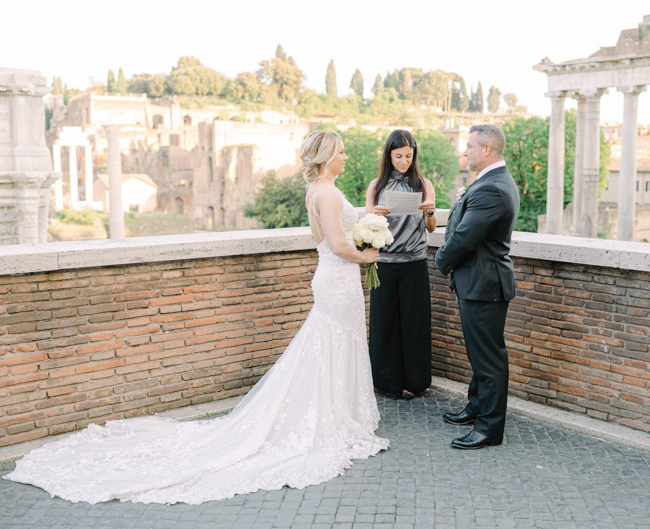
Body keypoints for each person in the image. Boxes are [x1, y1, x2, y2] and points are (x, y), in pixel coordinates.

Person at [3, 130, 389, 504]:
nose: (345, 157)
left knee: (328, 344)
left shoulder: (317, 191)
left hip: (332, 279)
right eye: (340, 152)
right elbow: (337, 244)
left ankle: (333, 412)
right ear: (325, 156)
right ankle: (329, 417)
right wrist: (367, 255)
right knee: (331, 344)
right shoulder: (327, 192)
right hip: (337, 280)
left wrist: (367, 220)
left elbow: (324, 241)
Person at [435, 124, 520, 450]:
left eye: (469, 146)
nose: (464, 152)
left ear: (486, 149)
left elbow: (465, 237)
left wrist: (441, 259)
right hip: (480, 282)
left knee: (489, 359)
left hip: (484, 283)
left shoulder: (492, 188)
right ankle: (476, 408)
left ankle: (489, 428)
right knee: (480, 353)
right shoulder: (492, 181)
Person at [365, 130, 437, 400]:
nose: (404, 161)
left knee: (414, 323)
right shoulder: (377, 186)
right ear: (389, 155)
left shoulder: (423, 184)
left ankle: (415, 383)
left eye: (409, 156)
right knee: (385, 323)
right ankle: (386, 382)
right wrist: (375, 213)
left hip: (415, 262)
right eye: (398, 156)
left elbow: (431, 227)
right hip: (384, 262)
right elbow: (365, 227)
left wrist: (430, 212)